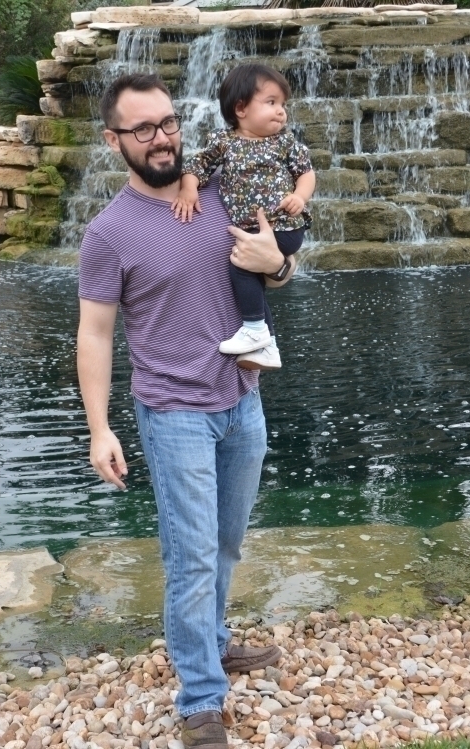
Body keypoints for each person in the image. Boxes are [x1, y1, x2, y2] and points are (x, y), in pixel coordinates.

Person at [76, 73, 295, 749]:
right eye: (143, 128)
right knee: (191, 555)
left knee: (226, 542)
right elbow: (95, 333)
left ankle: (214, 639)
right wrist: (99, 429)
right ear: (114, 140)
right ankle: (201, 696)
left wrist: (278, 264)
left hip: (243, 401)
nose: (161, 138)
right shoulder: (109, 233)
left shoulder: (222, 189)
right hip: (174, 413)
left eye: (168, 122)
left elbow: (277, 267)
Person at [172, 63, 315, 371]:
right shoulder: (224, 142)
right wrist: (188, 188)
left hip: (283, 225)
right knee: (249, 271)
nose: (281, 111)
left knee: (240, 265)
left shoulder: (285, 142)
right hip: (252, 230)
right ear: (240, 108)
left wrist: (300, 197)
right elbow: (198, 165)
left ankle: (254, 330)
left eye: (283, 104)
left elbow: (306, 173)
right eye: (271, 102)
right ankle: (267, 346)